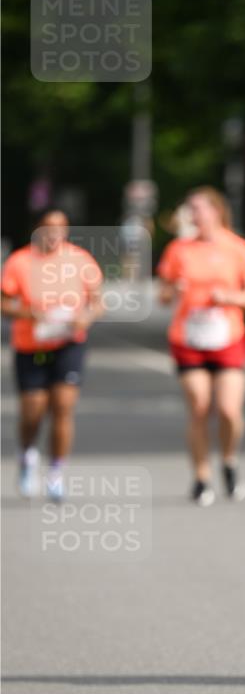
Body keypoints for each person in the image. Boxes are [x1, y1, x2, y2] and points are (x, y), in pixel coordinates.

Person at [157, 187, 245, 506]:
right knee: (199, 406)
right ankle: (201, 477)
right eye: (189, 210)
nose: (192, 215)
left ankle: (229, 461)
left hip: (227, 337)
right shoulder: (178, 249)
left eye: (198, 209)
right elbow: (162, 296)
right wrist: (172, 290)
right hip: (188, 338)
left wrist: (230, 298)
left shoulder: (237, 248)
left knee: (229, 411)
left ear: (216, 211)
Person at [1, 209, 103, 500]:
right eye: (48, 227)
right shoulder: (20, 261)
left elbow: (97, 302)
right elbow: (4, 303)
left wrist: (85, 317)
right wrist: (30, 313)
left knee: (62, 406)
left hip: (68, 344)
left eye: (61, 227)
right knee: (33, 410)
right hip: (31, 345)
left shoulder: (80, 260)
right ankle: (27, 455)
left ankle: (56, 471)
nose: (54, 233)